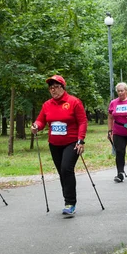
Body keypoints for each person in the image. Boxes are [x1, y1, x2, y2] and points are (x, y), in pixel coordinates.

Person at [31, 75, 87, 216]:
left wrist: (81, 140)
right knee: (62, 172)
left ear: (63, 87)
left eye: (56, 87)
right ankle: (67, 200)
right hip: (54, 144)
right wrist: (36, 126)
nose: (53, 90)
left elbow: (82, 122)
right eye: (51, 88)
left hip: (72, 142)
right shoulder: (47, 105)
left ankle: (70, 202)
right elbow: (41, 121)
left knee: (66, 168)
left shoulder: (74, 102)